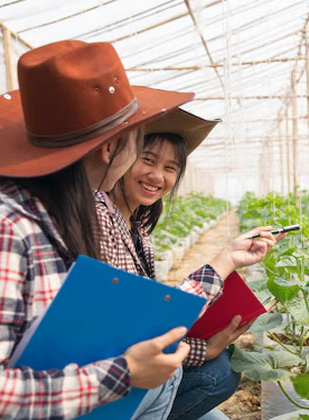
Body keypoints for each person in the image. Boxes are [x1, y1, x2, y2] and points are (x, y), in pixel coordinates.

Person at [0, 40, 278, 420]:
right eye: (140, 143)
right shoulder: (0, 231)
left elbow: (123, 322)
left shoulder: (61, 216)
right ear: (112, 150)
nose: (155, 171)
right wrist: (123, 374)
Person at [94, 109, 282, 420]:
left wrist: (206, 347)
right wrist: (224, 261)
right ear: (120, 154)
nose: (158, 176)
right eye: (148, 160)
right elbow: (141, 327)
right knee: (217, 375)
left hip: (129, 369)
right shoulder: (100, 216)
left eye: (170, 167)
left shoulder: (137, 226)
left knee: (220, 374)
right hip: (107, 379)